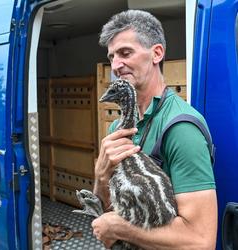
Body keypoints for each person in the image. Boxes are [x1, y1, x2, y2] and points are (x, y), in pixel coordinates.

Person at [92, 10, 217, 249]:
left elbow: (200, 241)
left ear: (156, 53)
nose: (116, 65)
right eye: (112, 57)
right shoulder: (117, 128)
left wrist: (119, 228)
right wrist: (101, 175)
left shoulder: (180, 128)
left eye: (125, 53)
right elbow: (108, 210)